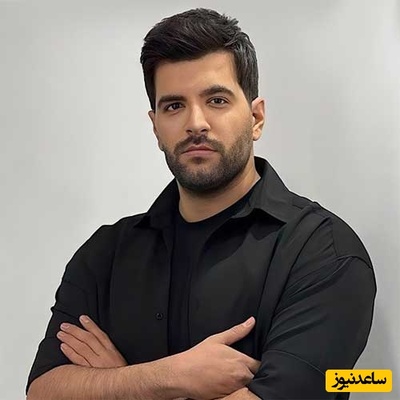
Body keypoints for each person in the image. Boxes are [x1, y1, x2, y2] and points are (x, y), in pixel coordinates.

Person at [26, 8, 376, 400]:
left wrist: (122, 382)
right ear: (156, 127)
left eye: (217, 100)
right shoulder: (105, 255)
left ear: (256, 118)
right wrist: (170, 377)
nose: (196, 122)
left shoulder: (324, 253)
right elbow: (43, 391)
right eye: (174, 106)